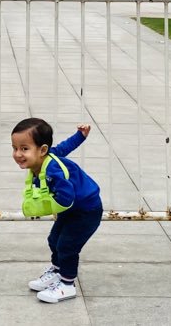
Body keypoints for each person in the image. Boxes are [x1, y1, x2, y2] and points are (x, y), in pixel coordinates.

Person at [13, 118, 100, 304]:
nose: (18, 154)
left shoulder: (52, 171)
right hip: (71, 210)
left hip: (86, 210)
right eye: (15, 148)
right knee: (54, 240)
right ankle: (57, 270)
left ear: (42, 150)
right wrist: (80, 136)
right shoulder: (48, 156)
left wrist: (45, 204)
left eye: (24, 149)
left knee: (67, 246)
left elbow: (66, 197)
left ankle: (67, 284)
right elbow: (64, 147)